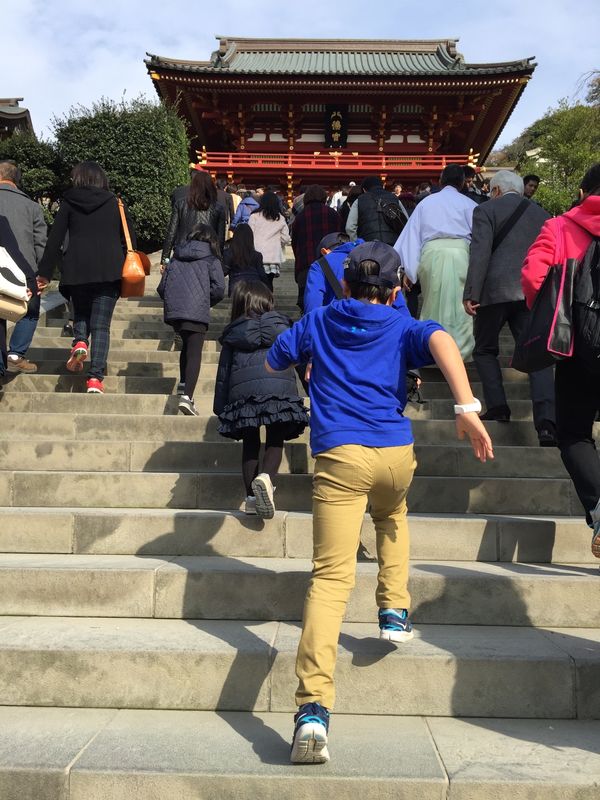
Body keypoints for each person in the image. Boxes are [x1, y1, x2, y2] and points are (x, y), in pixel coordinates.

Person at [265, 240, 493, 763]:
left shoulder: (319, 320)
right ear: (394, 292)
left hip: (340, 455)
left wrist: (311, 356)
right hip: (394, 453)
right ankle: (393, 610)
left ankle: (313, 710)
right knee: (391, 516)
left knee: (330, 579)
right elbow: (440, 337)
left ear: (345, 285)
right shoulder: (400, 324)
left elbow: (276, 360)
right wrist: (466, 406)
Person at [522, 163, 600, 557]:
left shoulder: (559, 227)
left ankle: (599, 506)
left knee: (573, 433)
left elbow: (532, 278)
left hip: (578, 348)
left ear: (584, 192)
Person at [463, 170, 556, 445]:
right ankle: (547, 423)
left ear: (496, 191)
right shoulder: (542, 214)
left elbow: (480, 253)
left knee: (485, 349)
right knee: (538, 355)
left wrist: (471, 292)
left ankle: (498, 407)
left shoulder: (485, 210)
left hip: (493, 292)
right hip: (531, 292)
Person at [36, 161, 133, 394]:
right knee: (101, 326)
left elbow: (55, 239)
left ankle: (80, 341)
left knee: (80, 311)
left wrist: (45, 273)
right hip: (109, 271)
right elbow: (129, 239)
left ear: (78, 178)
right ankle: (95, 379)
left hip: (77, 268)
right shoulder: (115, 203)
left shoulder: (69, 202)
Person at [213, 280, 308, 517]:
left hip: (244, 394)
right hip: (279, 389)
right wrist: (310, 388)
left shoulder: (234, 333)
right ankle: (266, 478)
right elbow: (298, 359)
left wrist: (220, 407)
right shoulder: (283, 327)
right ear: (268, 301)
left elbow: (223, 374)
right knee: (275, 438)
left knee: (250, 442)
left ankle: (251, 498)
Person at [394, 164, 477, 361]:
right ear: (462, 183)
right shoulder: (470, 204)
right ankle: (460, 354)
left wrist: (409, 270)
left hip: (431, 254)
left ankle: (431, 350)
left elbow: (413, 236)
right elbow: (480, 238)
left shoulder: (426, 203)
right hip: (462, 254)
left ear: (440, 181)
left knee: (432, 302)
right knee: (461, 305)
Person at [157, 223, 225, 416]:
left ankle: (183, 384)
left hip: (176, 312)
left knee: (186, 347)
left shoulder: (176, 256)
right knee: (194, 352)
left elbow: (162, 287)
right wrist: (205, 300)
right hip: (197, 311)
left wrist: (174, 301)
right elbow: (220, 288)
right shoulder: (211, 259)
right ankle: (187, 398)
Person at [0, 160, 47, 376]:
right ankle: (16, 354)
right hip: (23, 270)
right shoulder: (32, 206)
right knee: (30, 312)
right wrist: (41, 274)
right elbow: (40, 242)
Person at [291, 184, 341, 311]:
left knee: (307, 302)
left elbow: (295, 242)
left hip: (306, 264)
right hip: (330, 264)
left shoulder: (300, 217)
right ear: (324, 197)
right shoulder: (333, 214)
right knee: (331, 300)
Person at [162, 169, 226, 267]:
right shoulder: (218, 208)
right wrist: (218, 259)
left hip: (182, 254)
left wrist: (164, 259)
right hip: (208, 255)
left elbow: (171, 233)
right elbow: (220, 239)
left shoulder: (180, 204)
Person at [303, 232, 364, 314]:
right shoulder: (366, 256)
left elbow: (312, 303)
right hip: (370, 317)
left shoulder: (320, 264)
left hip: (335, 318)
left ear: (324, 251)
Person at [345, 175, 408, 246]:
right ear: (382, 186)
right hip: (393, 244)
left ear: (364, 189)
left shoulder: (359, 200)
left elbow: (350, 228)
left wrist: (357, 244)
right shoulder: (394, 198)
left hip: (368, 244)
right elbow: (406, 221)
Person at [248, 191, 291, 292]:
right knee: (268, 283)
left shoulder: (254, 216)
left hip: (256, 255)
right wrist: (278, 241)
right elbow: (286, 238)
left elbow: (249, 235)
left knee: (257, 284)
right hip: (272, 258)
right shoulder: (280, 218)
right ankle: (268, 300)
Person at [223, 223, 270, 296]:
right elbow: (262, 275)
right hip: (254, 288)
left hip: (236, 287)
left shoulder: (229, 253)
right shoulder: (257, 255)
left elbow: (224, 271)